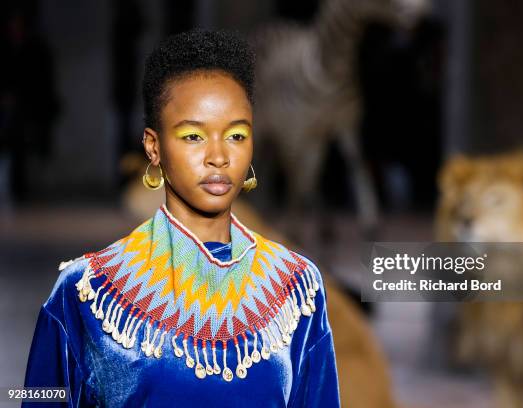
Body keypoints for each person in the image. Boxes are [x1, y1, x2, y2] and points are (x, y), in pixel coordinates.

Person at [22, 28, 341, 408]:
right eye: (193, 136)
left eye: (237, 135)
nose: (218, 156)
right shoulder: (83, 293)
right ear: (153, 147)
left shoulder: (297, 290)